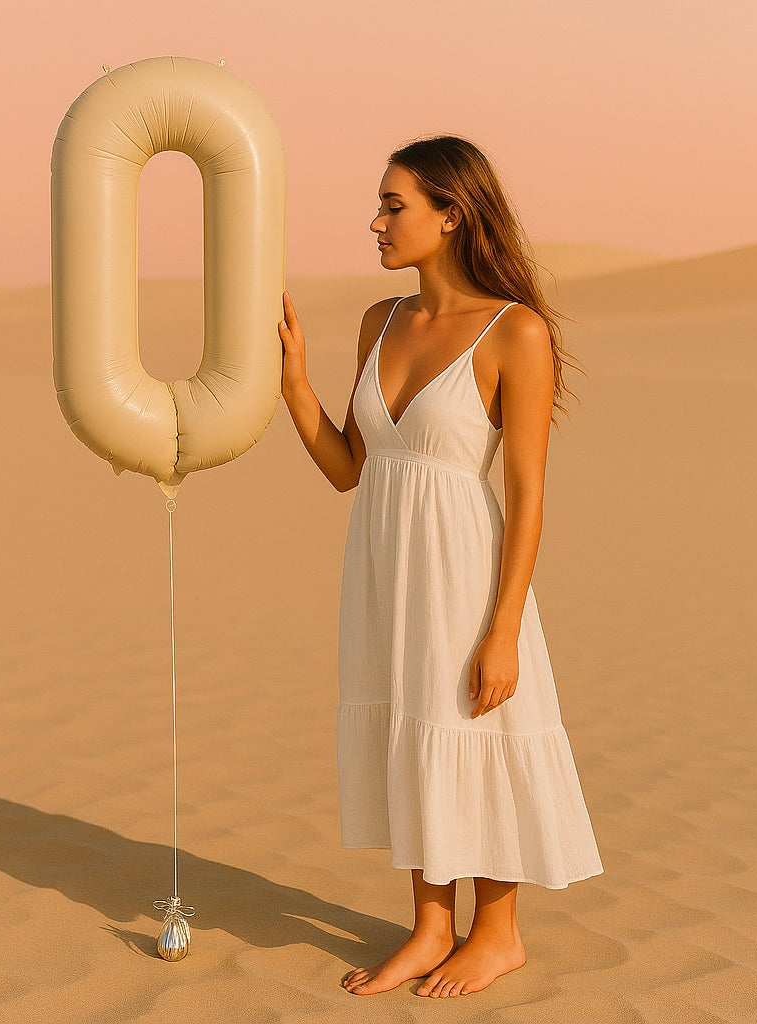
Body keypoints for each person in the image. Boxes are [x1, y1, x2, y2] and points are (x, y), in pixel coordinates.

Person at [277, 134, 604, 999]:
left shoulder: (514, 331)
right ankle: (430, 926)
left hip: (465, 570)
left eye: (394, 205)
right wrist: (296, 388)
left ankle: (496, 934)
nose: (375, 223)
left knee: (477, 730)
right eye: (380, 204)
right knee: (411, 727)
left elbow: (530, 496)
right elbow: (353, 467)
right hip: (386, 571)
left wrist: (504, 628)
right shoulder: (377, 323)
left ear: (451, 214)